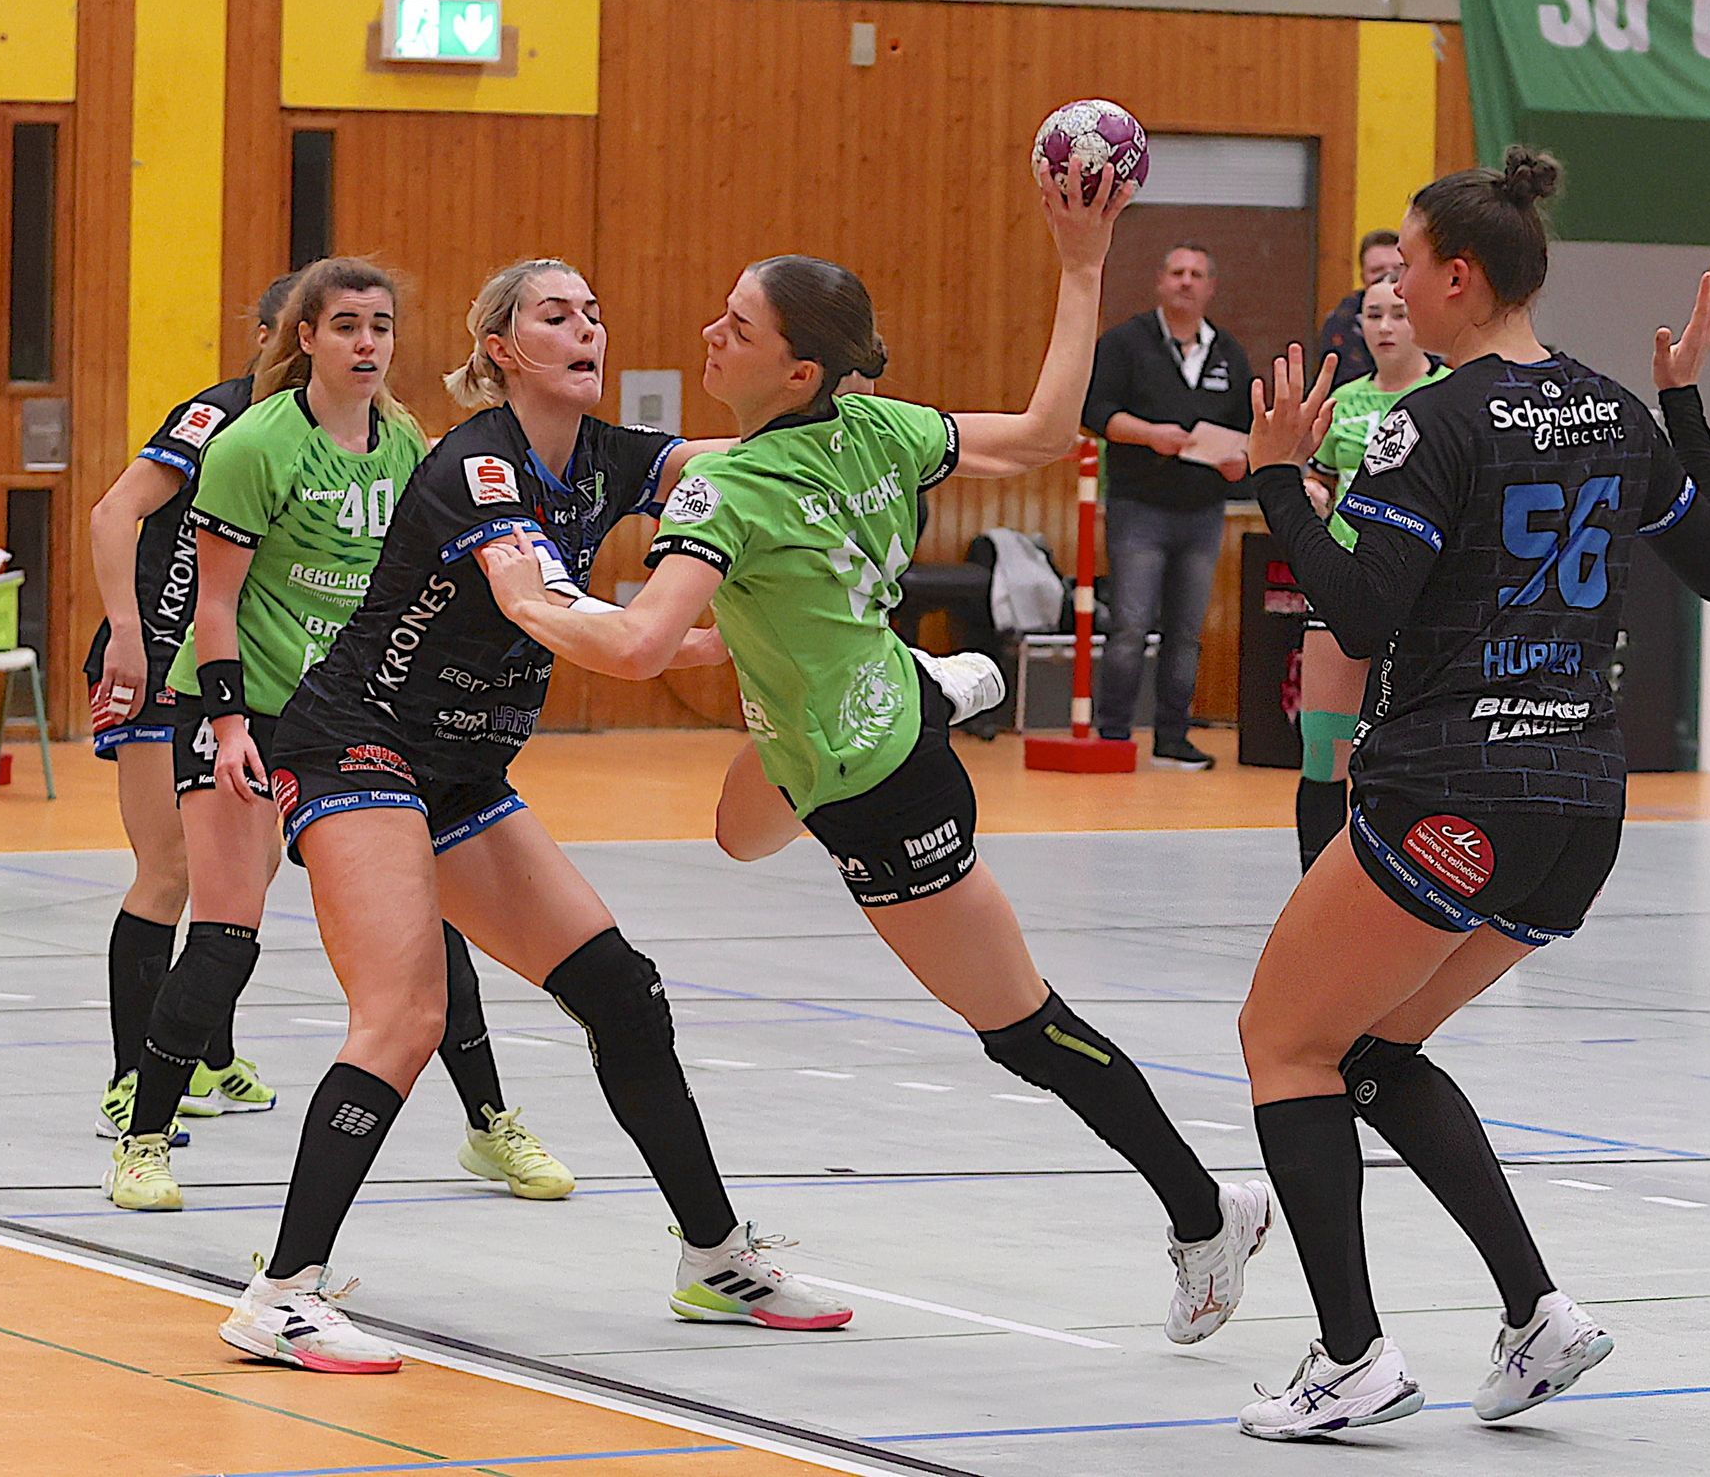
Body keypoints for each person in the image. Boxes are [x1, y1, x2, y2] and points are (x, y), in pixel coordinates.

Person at [480, 167, 1276, 1356]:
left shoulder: (729, 491)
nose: (708, 332)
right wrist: (1077, 266)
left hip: (883, 788)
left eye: (736, 326)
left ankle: (1209, 1212)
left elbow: (638, 647)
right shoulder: (879, 429)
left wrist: (531, 593)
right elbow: (1043, 434)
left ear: (798, 372)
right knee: (736, 833)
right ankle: (914, 677)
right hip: (819, 732)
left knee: (1022, 1027)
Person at [215, 258, 849, 1375]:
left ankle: (716, 1258)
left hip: (462, 771)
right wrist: (658, 636)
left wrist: (872, 437)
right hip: (356, 743)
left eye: (594, 311)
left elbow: (752, 461)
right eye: (556, 315)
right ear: (502, 349)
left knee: (623, 993)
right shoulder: (479, 463)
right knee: (403, 1017)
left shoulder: (609, 456)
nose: (586, 327)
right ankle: (282, 1295)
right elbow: (534, 600)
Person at [1231, 148, 1710, 1440]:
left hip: (1451, 791)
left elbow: (1359, 611)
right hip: (1579, 808)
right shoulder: (1613, 410)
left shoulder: (1431, 421)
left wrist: (1278, 480)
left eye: (1404, 266)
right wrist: (1684, 400)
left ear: (1459, 278)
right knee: (1373, 1050)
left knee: (1283, 1042)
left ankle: (1351, 1356)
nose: (1389, 288)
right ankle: (1538, 1315)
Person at [102, 257, 572, 1215]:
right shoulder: (253, 442)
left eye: (382, 326)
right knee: (225, 932)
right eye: (348, 325)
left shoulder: (406, 445)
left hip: (351, 718)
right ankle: (142, 1141)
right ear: (307, 337)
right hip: (242, 705)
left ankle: (491, 1125)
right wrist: (228, 723)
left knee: (427, 930)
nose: (367, 343)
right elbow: (214, 605)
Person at [85, 273, 296, 1145]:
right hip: (155, 663)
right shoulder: (215, 417)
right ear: (268, 335)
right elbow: (113, 513)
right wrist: (127, 634)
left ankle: (209, 1053)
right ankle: (131, 1077)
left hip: (237, 675)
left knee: (244, 872)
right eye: (302, 327)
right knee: (169, 868)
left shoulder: (331, 436)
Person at [1294, 274, 1448, 872]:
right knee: (1322, 746)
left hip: (1423, 586)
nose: (1385, 327)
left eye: (1398, 315)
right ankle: (1315, 884)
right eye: (1374, 315)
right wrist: (1310, 491)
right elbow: (1321, 475)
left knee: (1406, 754)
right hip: (1344, 576)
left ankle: (1401, 883)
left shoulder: (1447, 394)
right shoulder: (1344, 401)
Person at [1083, 243, 1254, 767]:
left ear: (1211, 287)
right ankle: (1114, 735)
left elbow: (1248, 429)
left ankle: (1172, 738)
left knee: (1186, 632)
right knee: (1130, 626)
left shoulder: (1229, 354)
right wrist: (1149, 434)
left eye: (1196, 274)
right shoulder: (1124, 343)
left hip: (1203, 512)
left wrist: (1240, 461)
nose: (1185, 281)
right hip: (1139, 507)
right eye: (1177, 272)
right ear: (1160, 281)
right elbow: (1095, 411)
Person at [1314, 230, 1404, 388]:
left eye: (1398, 269)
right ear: (1363, 277)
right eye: (1377, 270)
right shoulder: (1340, 323)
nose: (1387, 277)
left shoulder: (1430, 314)